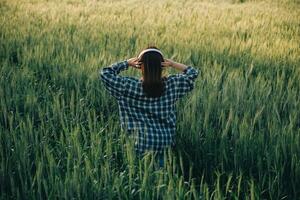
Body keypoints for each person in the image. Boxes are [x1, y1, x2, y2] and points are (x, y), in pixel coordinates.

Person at [100, 46, 199, 167]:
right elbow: (192, 73)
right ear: (162, 66)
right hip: (165, 141)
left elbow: (105, 73)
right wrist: (172, 64)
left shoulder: (128, 86)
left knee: (139, 175)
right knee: (161, 178)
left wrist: (126, 63)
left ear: (140, 66)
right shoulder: (173, 84)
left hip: (139, 142)